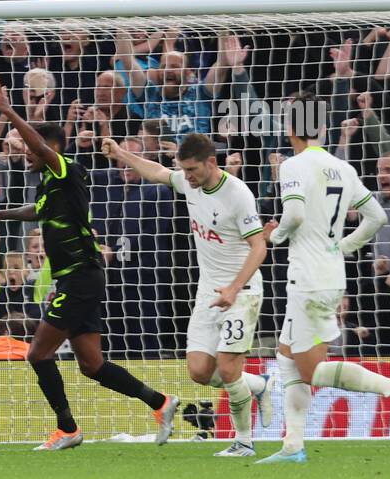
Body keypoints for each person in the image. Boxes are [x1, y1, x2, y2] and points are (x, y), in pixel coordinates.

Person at [0, 77, 179, 451]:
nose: (27, 155)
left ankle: (68, 428)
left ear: (49, 149)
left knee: (37, 353)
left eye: (33, 150)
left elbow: (39, 148)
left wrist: (8, 112)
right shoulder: (48, 185)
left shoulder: (68, 169)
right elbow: (37, 210)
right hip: (78, 279)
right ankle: (160, 403)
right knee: (92, 365)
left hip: (80, 277)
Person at [259, 92, 390, 464]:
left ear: (290, 127)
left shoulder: (292, 166)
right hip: (330, 272)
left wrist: (275, 236)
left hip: (309, 277)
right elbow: (377, 217)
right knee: (286, 357)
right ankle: (293, 446)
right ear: (320, 126)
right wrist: (344, 247)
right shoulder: (343, 168)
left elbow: (295, 216)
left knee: (310, 369)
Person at [101, 133, 274, 458]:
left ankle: (244, 442)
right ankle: (260, 385)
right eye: (184, 170)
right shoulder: (189, 183)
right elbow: (155, 172)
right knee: (198, 371)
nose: (188, 177)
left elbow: (259, 246)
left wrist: (234, 288)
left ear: (211, 162)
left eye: (193, 170)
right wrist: (122, 153)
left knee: (227, 369)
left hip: (243, 291)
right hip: (208, 292)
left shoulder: (238, 195)